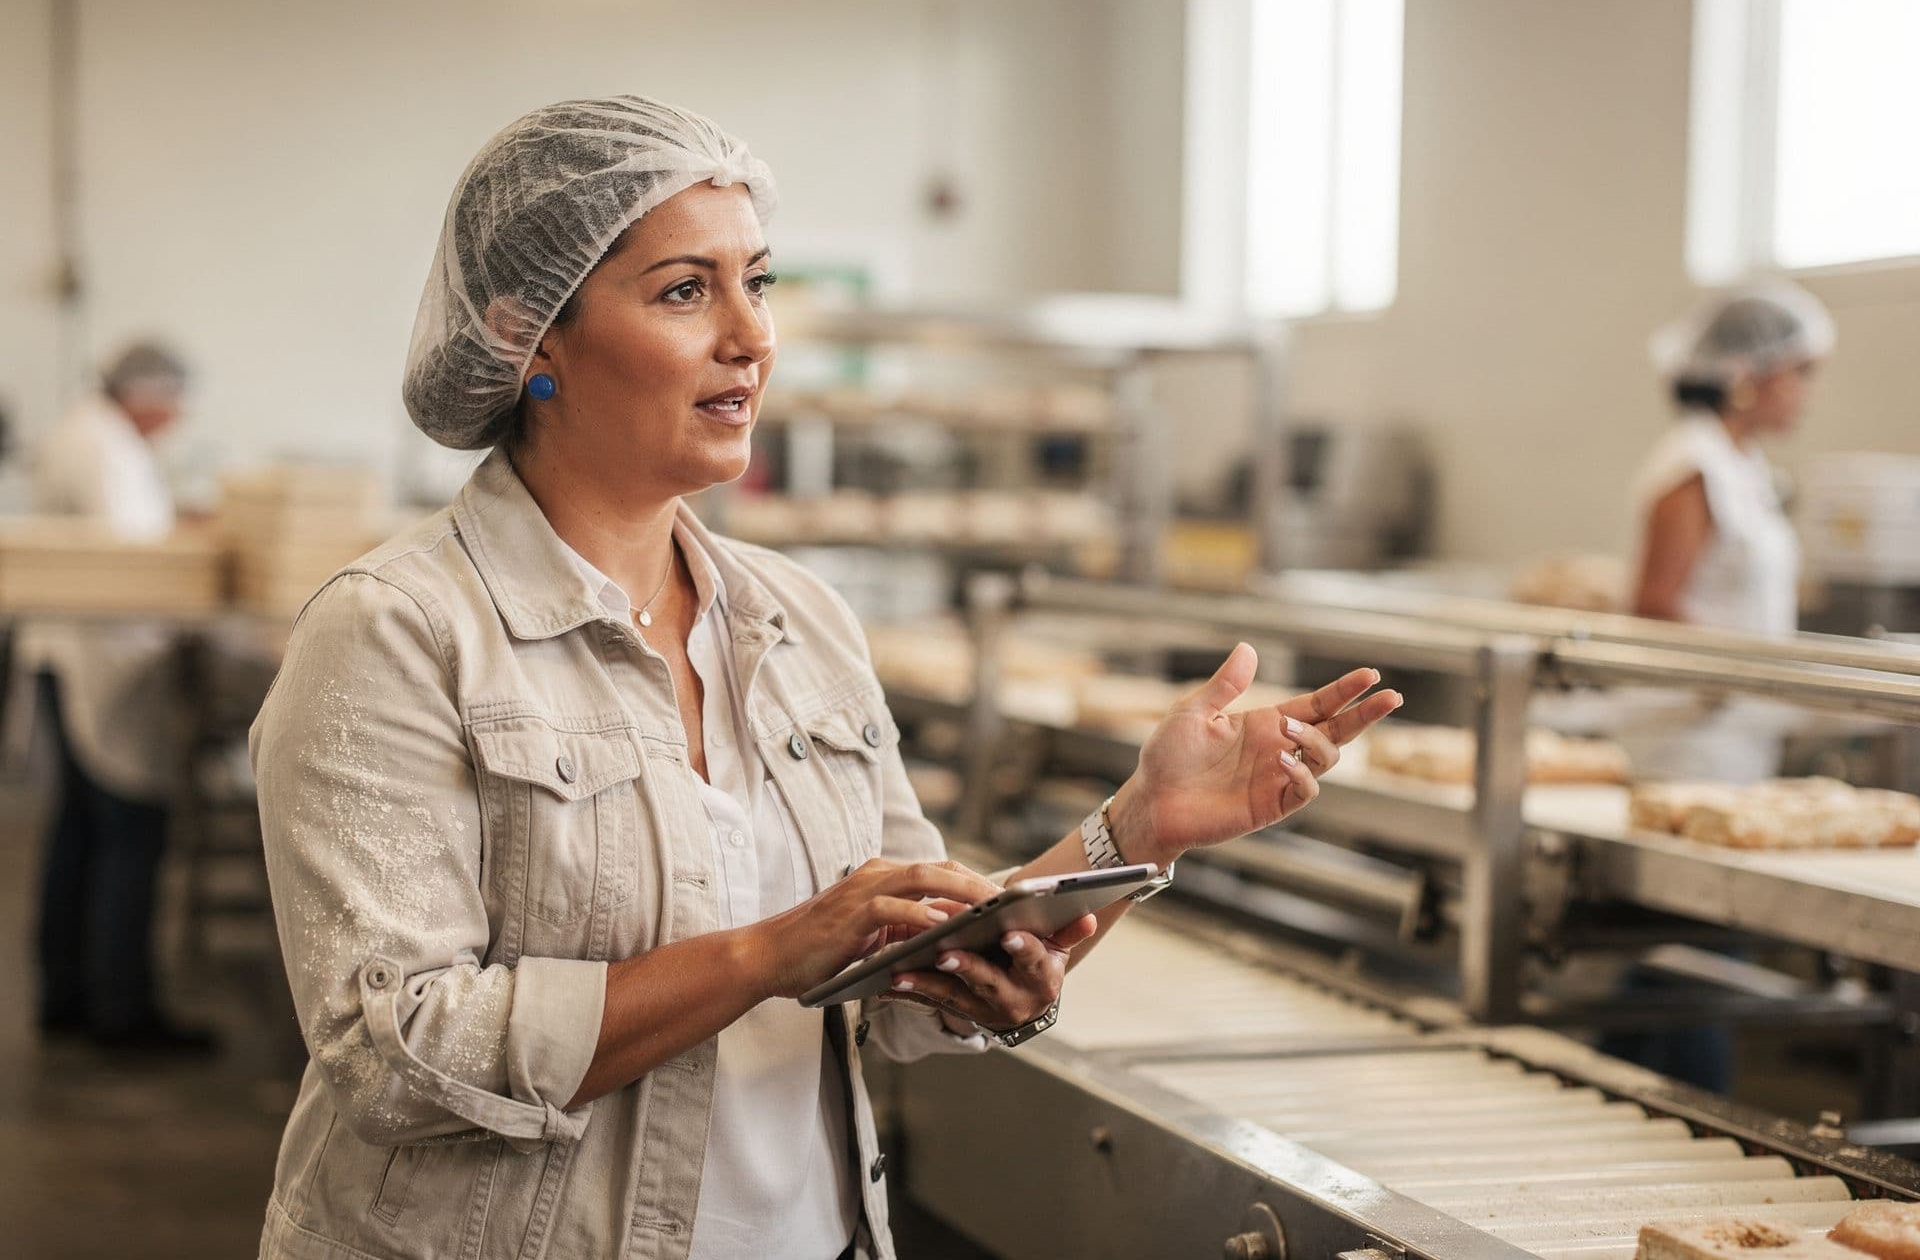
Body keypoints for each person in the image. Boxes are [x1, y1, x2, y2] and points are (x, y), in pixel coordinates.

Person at [250, 96, 1402, 1260]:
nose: (751, 336)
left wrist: (1139, 822)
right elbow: (389, 1053)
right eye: (684, 290)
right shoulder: (397, 632)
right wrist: (768, 952)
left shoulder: (798, 620)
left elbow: (897, 968)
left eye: (759, 280)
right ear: (531, 333)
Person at [23, 340, 214, 1051]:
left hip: (72, 651)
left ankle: (65, 996)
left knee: (78, 831)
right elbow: (137, 560)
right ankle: (122, 1014)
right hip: (101, 655)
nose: (177, 416)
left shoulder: (87, 432)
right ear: (145, 393)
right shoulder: (105, 448)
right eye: (173, 400)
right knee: (128, 832)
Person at [1624, 280, 1834, 783]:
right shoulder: (1695, 465)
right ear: (1747, 371)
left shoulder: (1743, 463)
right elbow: (1655, 605)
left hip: (1740, 726)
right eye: (1799, 372)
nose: (1807, 393)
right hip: (1691, 739)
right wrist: (1749, 671)